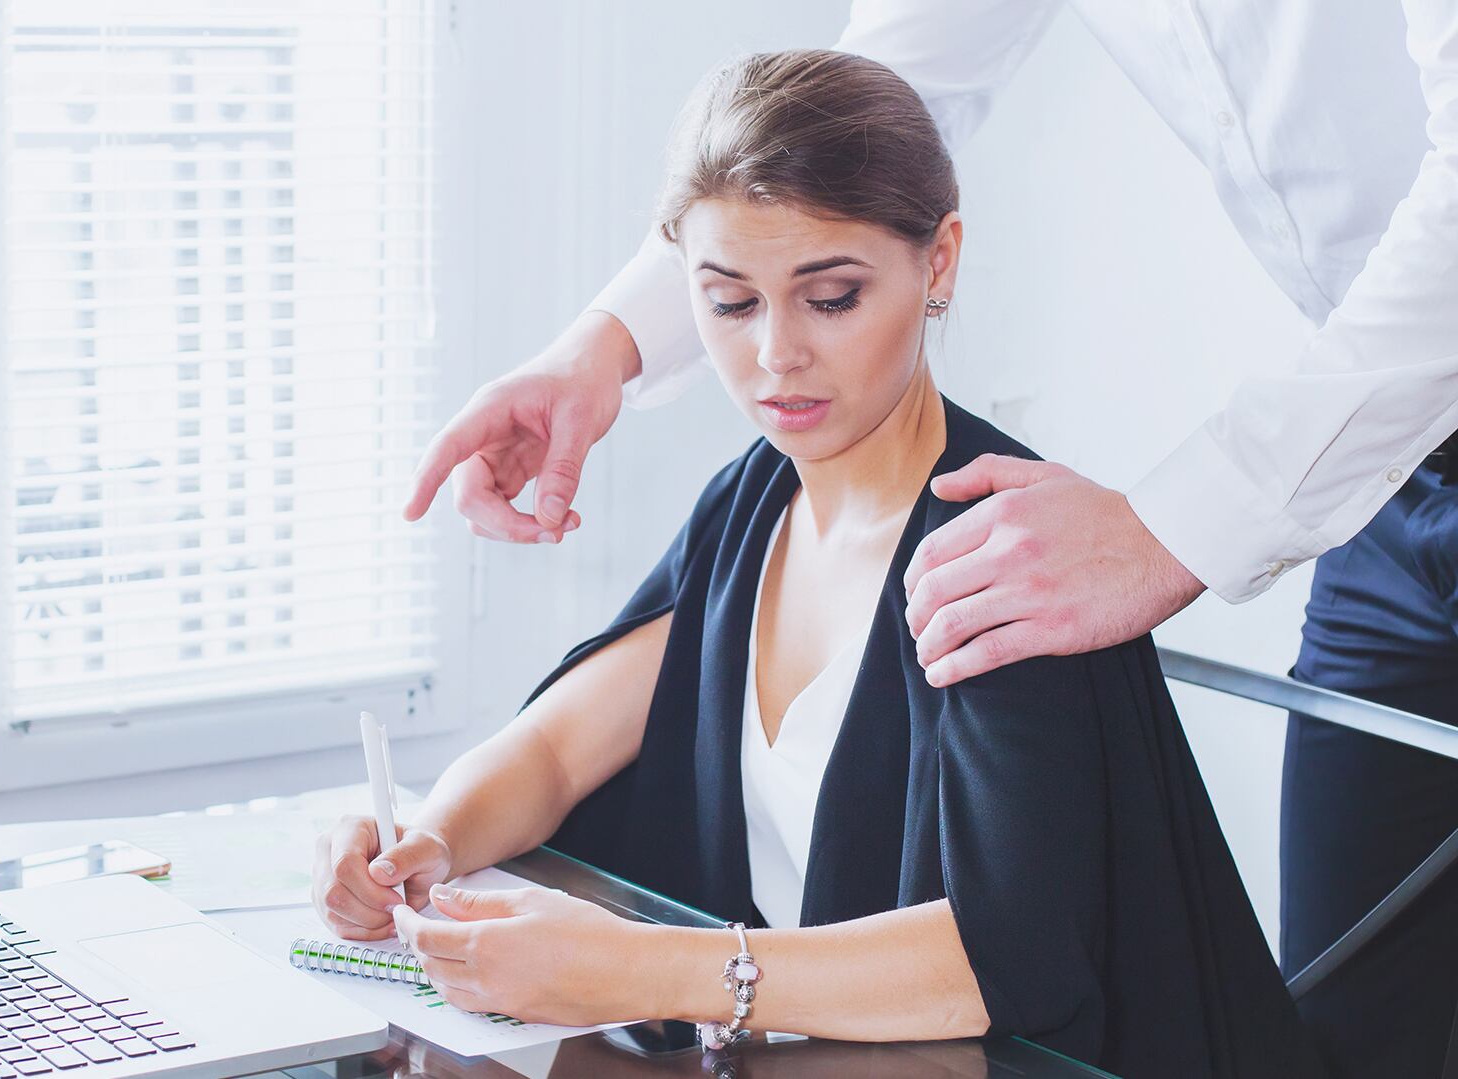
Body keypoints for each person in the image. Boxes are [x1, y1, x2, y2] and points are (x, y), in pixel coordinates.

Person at [401, 4, 1458, 1072]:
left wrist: (645, 966)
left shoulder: (1005, 556)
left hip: (1381, 415)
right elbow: (558, 740)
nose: (777, 356)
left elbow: (1010, 955)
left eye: (831, 296)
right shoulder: (748, 506)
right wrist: (424, 842)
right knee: (1365, 1030)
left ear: (938, 261)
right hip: (1396, 463)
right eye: (727, 302)